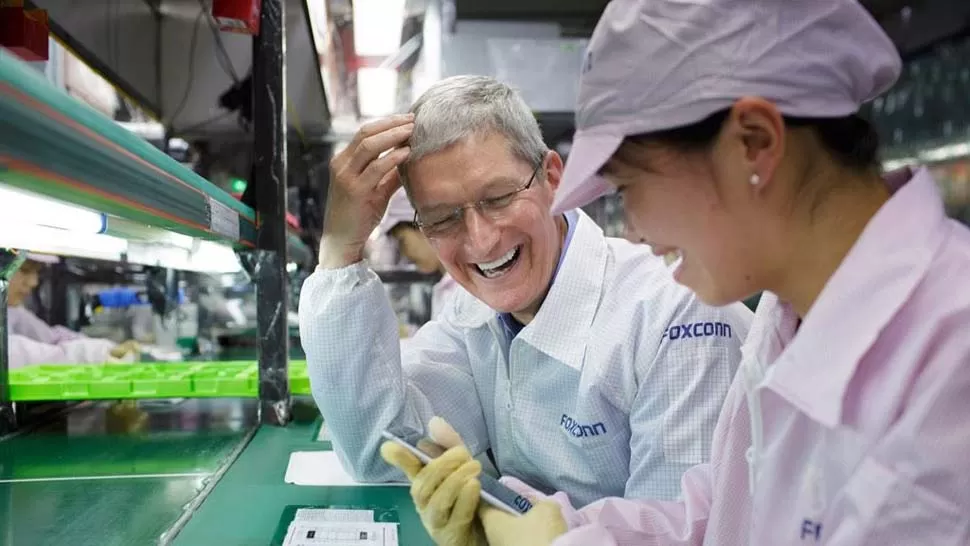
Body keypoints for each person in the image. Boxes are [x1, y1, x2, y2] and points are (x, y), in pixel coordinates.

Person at [403, 0, 970, 545]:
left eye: (629, 187)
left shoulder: (951, 355)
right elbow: (720, 516)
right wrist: (553, 530)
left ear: (754, 144)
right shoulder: (789, 313)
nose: (638, 230)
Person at [299, 74, 753, 537]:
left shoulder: (678, 315)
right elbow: (383, 452)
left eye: (497, 198)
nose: (480, 240)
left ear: (552, 179)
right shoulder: (471, 313)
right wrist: (340, 251)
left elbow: (688, 531)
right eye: (441, 218)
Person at [7, 254, 140, 368]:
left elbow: (51, 337)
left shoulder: (12, 310)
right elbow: (12, 355)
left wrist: (106, 349)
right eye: (25, 270)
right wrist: (87, 355)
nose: (34, 282)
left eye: (37, 272)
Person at [378, 187, 459, 320]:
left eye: (402, 241)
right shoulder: (446, 286)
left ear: (424, 226)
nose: (404, 253)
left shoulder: (464, 290)